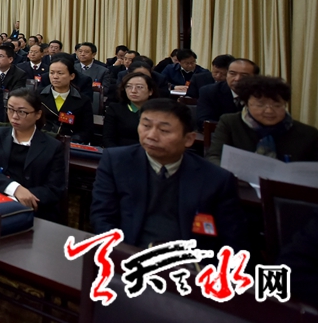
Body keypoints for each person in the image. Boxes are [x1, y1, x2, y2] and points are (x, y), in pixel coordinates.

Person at [90, 98, 246, 251]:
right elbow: (102, 216)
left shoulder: (216, 179)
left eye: (164, 130)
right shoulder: (116, 161)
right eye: (146, 126)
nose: (151, 135)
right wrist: (119, 253)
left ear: (188, 139)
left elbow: (232, 240)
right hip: (128, 254)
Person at [0, 87, 67, 221]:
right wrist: (15, 189)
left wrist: (19, 198)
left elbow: (54, 189)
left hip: (32, 208)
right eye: (10, 109)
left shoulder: (53, 146)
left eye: (22, 112)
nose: (14, 116)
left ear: (37, 114)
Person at [207, 76, 318, 165]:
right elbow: (214, 156)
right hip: (239, 183)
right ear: (246, 104)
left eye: (277, 105)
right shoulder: (230, 123)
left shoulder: (308, 133)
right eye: (260, 105)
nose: (269, 111)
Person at [38, 54, 93, 143]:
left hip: (69, 143)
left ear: (72, 76)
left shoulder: (83, 100)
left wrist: (70, 141)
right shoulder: (38, 95)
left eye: (60, 73)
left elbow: (87, 130)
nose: (55, 77)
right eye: (52, 73)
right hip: (41, 140)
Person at [195, 58, 258, 128]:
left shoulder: (261, 93)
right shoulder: (209, 91)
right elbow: (204, 121)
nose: (237, 79)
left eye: (244, 75)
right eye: (232, 74)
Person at [103, 71, 157, 148]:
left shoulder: (159, 112)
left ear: (150, 91)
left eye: (139, 87)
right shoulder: (115, 109)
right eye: (128, 86)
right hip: (120, 151)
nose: (133, 91)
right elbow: (108, 139)